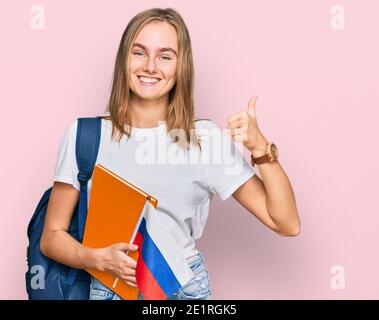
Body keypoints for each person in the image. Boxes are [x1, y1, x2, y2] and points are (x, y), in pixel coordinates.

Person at [40, 7, 300, 300]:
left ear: (181, 67)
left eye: (165, 56)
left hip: (183, 288)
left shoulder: (204, 140)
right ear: (124, 59)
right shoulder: (85, 135)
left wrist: (261, 151)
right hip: (110, 288)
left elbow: (286, 222)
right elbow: (51, 238)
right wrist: (96, 259)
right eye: (139, 52)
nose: (150, 66)